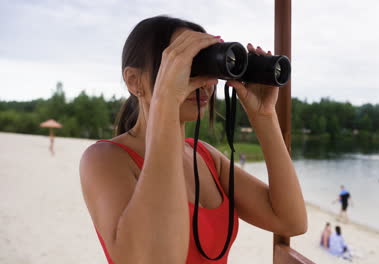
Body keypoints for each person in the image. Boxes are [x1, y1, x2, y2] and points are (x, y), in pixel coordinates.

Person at [79, 16, 307, 264]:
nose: (206, 83)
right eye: (185, 66)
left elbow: (290, 220)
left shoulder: (205, 157)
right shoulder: (106, 159)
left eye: (206, 67)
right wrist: (165, 103)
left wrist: (264, 116)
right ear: (134, 81)